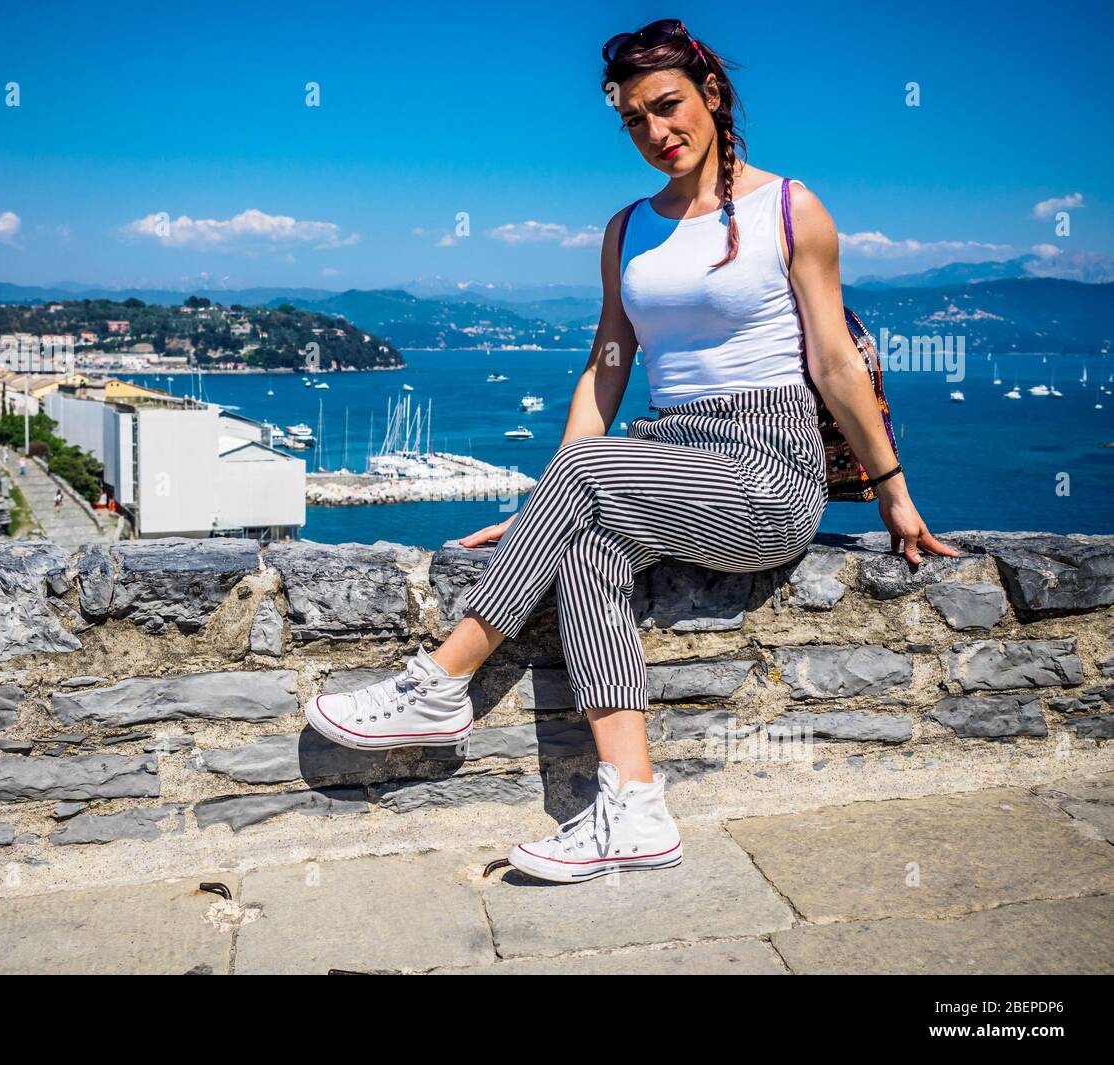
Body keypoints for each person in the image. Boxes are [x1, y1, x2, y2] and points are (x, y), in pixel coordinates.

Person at [303, 18, 958, 884]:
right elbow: (608, 365)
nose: (656, 132)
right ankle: (635, 809)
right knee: (584, 551)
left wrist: (891, 488)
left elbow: (835, 361)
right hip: (667, 456)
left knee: (578, 479)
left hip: (768, 470)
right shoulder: (625, 230)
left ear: (712, 95)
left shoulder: (790, 207)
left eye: (669, 106)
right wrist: (550, 513)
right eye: (635, 120)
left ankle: (436, 685)